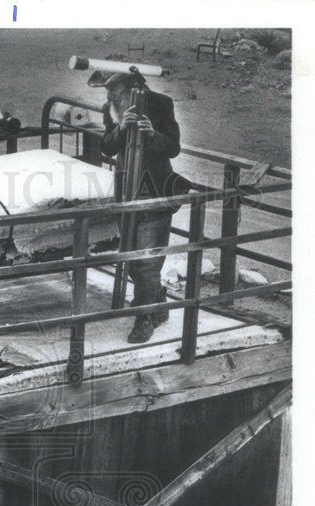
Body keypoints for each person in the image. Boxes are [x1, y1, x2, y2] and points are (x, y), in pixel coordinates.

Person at [94, 71, 191, 342]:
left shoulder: (161, 103)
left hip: (155, 193)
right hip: (126, 193)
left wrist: (153, 134)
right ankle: (157, 300)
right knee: (132, 258)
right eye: (108, 93)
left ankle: (144, 319)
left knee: (147, 262)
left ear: (135, 88)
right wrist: (121, 129)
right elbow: (106, 147)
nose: (111, 97)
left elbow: (173, 148)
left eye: (116, 92)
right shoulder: (110, 109)